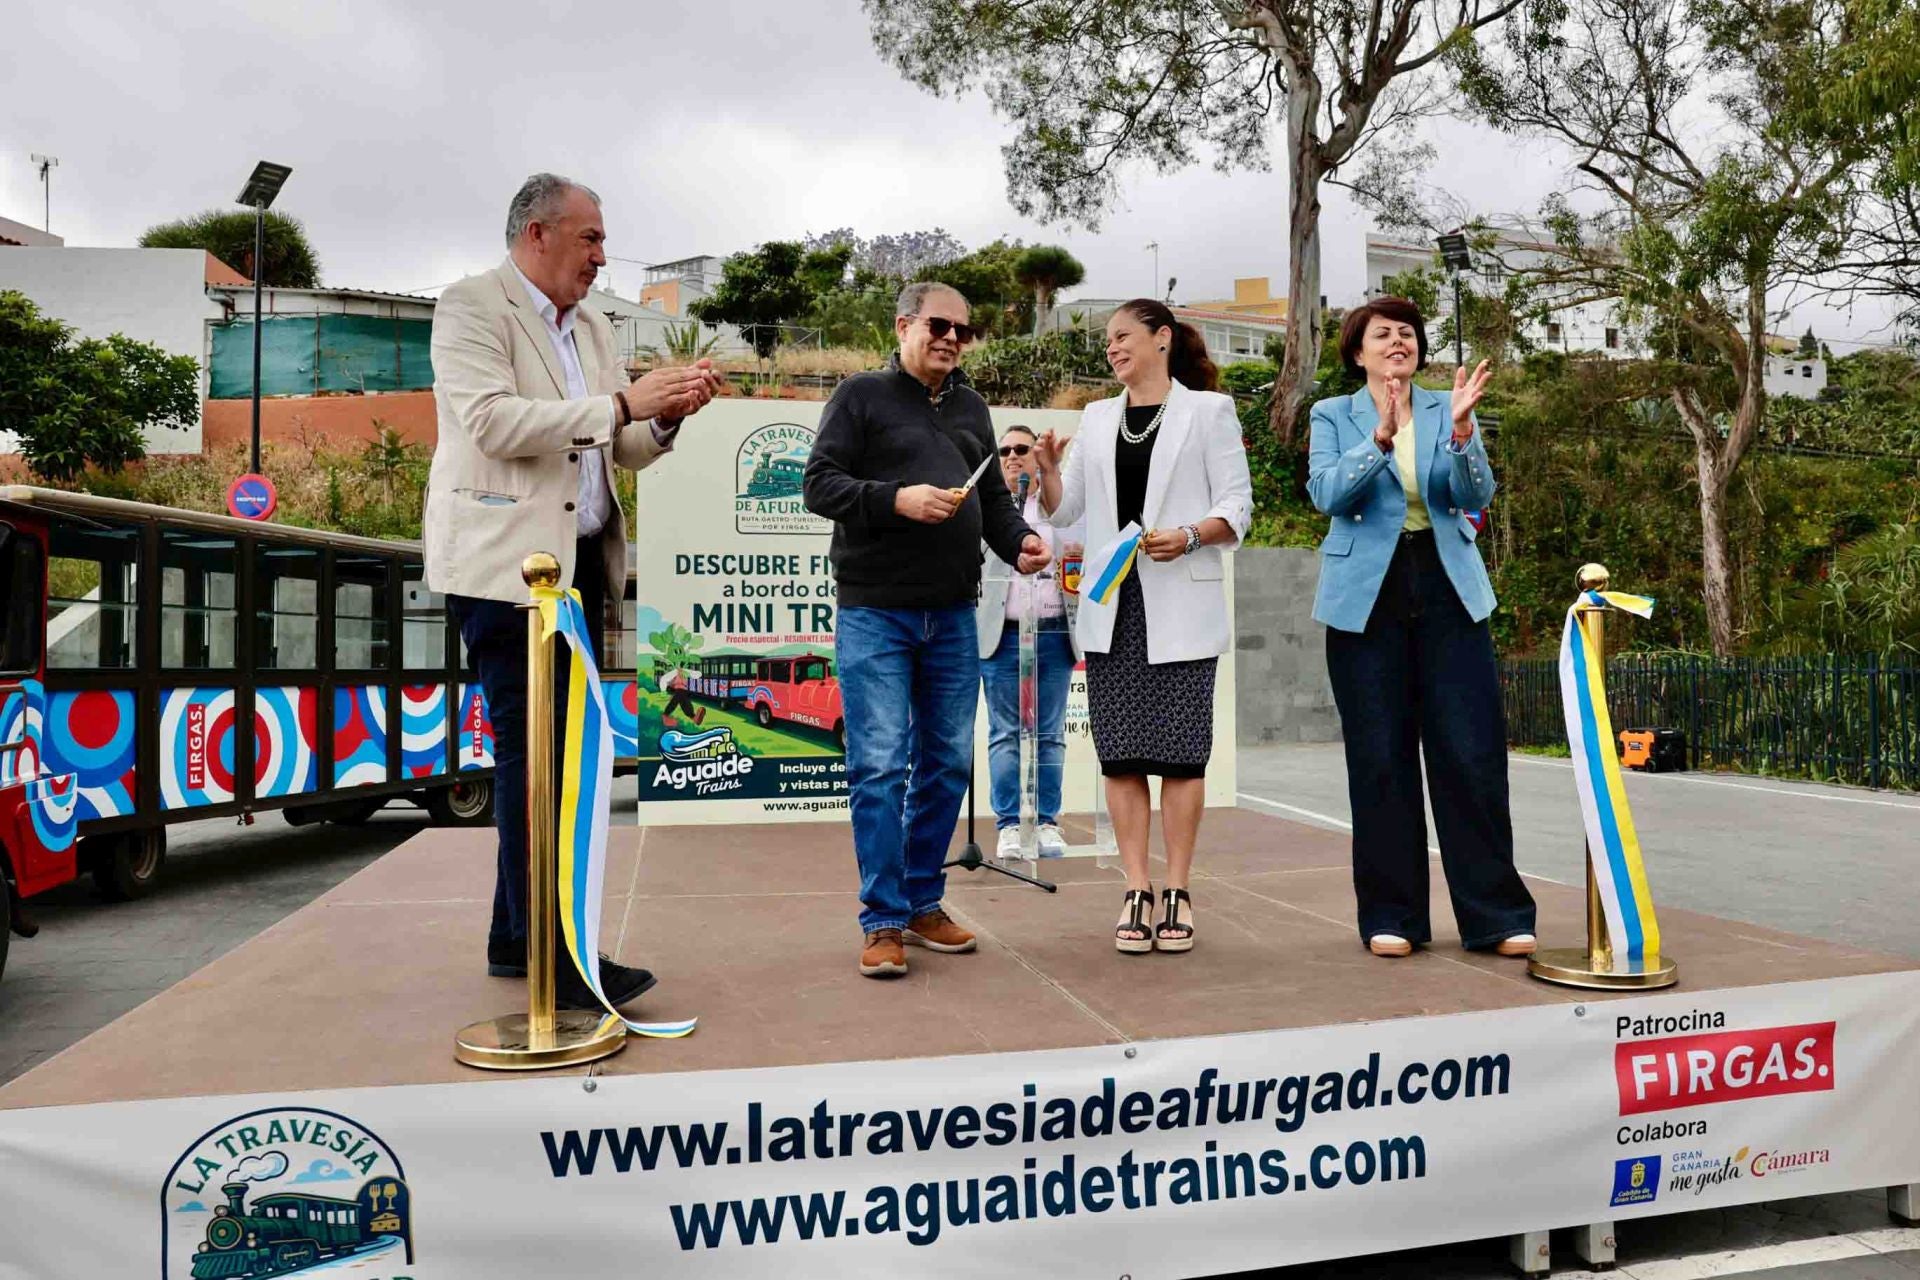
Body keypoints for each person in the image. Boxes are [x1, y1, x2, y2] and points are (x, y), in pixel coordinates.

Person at [425, 173, 722, 1007]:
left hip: (583, 565)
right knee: (542, 766)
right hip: (507, 577)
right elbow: (491, 421)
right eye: (589, 238)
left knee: (563, 758)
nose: (601, 255)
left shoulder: (591, 325)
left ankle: (515, 940)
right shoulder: (471, 307)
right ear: (535, 235)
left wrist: (663, 417)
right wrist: (623, 400)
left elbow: (614, 446)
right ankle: (562, 958)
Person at [803, 282, 1050, 978]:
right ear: (904, 324)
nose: (951, 338)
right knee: (879, 766)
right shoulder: (859, 397)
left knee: (946, 765)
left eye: (964, 331)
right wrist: (895, 501)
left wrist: (1019, 542)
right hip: (874, 611)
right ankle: (881, 919)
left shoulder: (972, 407)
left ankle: (920, 900)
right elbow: (818, 485)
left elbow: (994, 500)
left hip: (951, 612)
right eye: (939, 325)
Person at [1305, 296, 1537, 960]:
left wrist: (1463, 436)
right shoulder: (1333, 414)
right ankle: (1392, 916)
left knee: (1471, 753)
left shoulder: (1446, 406)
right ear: (1358, 352)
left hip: (1447, 588)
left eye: (1407, 333)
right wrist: (1379, 440)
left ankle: (1496, 916)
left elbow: (1474, 496)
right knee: (1380, 758)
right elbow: (1326, 494)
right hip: (1364, 600)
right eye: (1383, 334)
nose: (1398, 341)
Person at [1033, 299, 1252, 955]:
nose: (1112, 349)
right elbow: (1067, 507)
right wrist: (1045, 472)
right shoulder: (1097, 418)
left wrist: (1189, 535)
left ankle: (1178, 889)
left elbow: (1237, 504)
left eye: (1123, 336)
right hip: (1112, 606)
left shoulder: (1209, 412)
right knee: (1121, 754)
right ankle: (1136, 887)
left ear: (1162, 339)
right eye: (1107, 342)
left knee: (1183, 757)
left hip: (1181, 605)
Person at [976, 425, 1083, 858]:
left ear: (1039, 458)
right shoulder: (985, 512)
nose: (1012, 457)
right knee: (1005, 733)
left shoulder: (1061, 512)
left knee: (1050, 733)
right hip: (1002, 636)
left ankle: (1046, 822)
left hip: (1054, 633)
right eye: (1003, 451)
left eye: (1022, 449)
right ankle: (1007, 825)